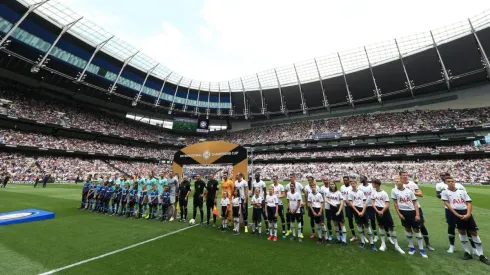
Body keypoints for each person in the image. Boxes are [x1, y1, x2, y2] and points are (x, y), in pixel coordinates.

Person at [441, 176, 490, 265]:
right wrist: (457, 215)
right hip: (456, 213)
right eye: (449, 181)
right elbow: (447, 204)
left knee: (474, 232)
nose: (451, 182)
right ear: (445, 183)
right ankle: (467, 252)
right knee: (461, 231)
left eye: (452, 181)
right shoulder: (444, 192)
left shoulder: (462, 191)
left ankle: (481, 255)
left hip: (465, 212)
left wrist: (468, 214)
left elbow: (469, 202)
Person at [436, 172, 476, 255]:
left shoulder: (459, 185)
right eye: (442, 175)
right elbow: (438, 196)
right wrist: (446, 193)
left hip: (461, 208)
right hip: (449, 209)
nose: (443, 176)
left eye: (445, 175)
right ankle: (452, 246)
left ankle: (474, 247)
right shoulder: (439, 185)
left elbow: (466, 196)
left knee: (467, 227)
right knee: (451, 226)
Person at [391, 176, 428, 258]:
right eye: (395, 181)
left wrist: (417, 214)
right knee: (407, 228)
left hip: (412, 211)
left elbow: (415, 203)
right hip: (403, 212)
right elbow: (395, 203)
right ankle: (411, 247)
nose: (396, 182)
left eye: (398, 181)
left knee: (416, 229)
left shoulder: (409, 191)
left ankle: (421, 249)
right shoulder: (394, 191)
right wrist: (399, 214)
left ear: (401, 181)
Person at [401, 171, 435, 251]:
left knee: (421, 225)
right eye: (403, 175)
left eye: (406, 175)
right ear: (400, 176)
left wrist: (412, 192)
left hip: (416, 207)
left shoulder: (412, 184)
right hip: (405, 209)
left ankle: (427, 243)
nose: (405, 176)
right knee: (407, 226)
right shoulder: (398, 185)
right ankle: (411, 244)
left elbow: (420, 194)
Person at [371, 179, 405, 254]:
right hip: (377, 210)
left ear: (377, 184)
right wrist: (377, 211)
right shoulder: (373, 192)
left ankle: (396, 246)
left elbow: (387, 204)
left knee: (391, 227)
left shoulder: (384, 193)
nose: (372, 184)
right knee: (381, 226)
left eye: (373, 183)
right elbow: (373, 202)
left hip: (385, 211)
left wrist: (382, 211)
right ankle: (383, 244)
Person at [349, 179, 376, 251]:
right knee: (359, 225)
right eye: (351, 183)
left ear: (356, 184)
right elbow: (351, 204)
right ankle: (362, 242)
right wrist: (358, 212)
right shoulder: (350, 193)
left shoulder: (361, 192)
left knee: (367, 225)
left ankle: (372, 243)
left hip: (363, 209)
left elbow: (365, 202)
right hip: (356, 210)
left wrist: (362, 211)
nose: (353, 184)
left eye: (354, 183)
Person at [324, 180, 347, 247]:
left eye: (333, 184)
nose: (332, 185)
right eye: (330, 184)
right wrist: (332, 204)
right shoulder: (329, 192)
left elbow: (342, 202)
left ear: (335, 185)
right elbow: (326, 199)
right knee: (335, 224)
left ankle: (344, 241)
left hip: (338, 208)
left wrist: (339, 211)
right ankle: (338, 238)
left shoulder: (339, 193)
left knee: (342, 224)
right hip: (332, 209)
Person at [359, 175, 378, 243]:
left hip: (371, 205)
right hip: (363, 206)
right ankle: (364, 236)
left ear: (365, 179)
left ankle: (375, 235)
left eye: (361, 178)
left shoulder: (371, 186)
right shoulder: (360, 187)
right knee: (364, 221)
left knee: (372, 220)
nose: (360, 179)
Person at [285, 174, 304, 238]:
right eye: (290, 177)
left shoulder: (299, 185)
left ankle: (300, 233)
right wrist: (289, 208)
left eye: (291, 177)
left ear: (294, 177)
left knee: (300, 220)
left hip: (298, 207)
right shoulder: (288, 187)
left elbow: (304, 192)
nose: (290, 178)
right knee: (292, 221)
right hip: (291, 208)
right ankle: (293, 234)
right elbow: (287, 199)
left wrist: (305, 202)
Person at [340, 175, 357, 241]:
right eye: (344, 180)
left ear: (349, 180)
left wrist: (351, 203)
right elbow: (342, 196)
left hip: (354, 205)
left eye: (346, 180)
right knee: (350, 220)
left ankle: (363, 236)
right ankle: (354, 236)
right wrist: (346, 201)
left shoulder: (352, 187)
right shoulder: (342, 187)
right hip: (347, 206)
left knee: (358, 221)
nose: (345, 181)